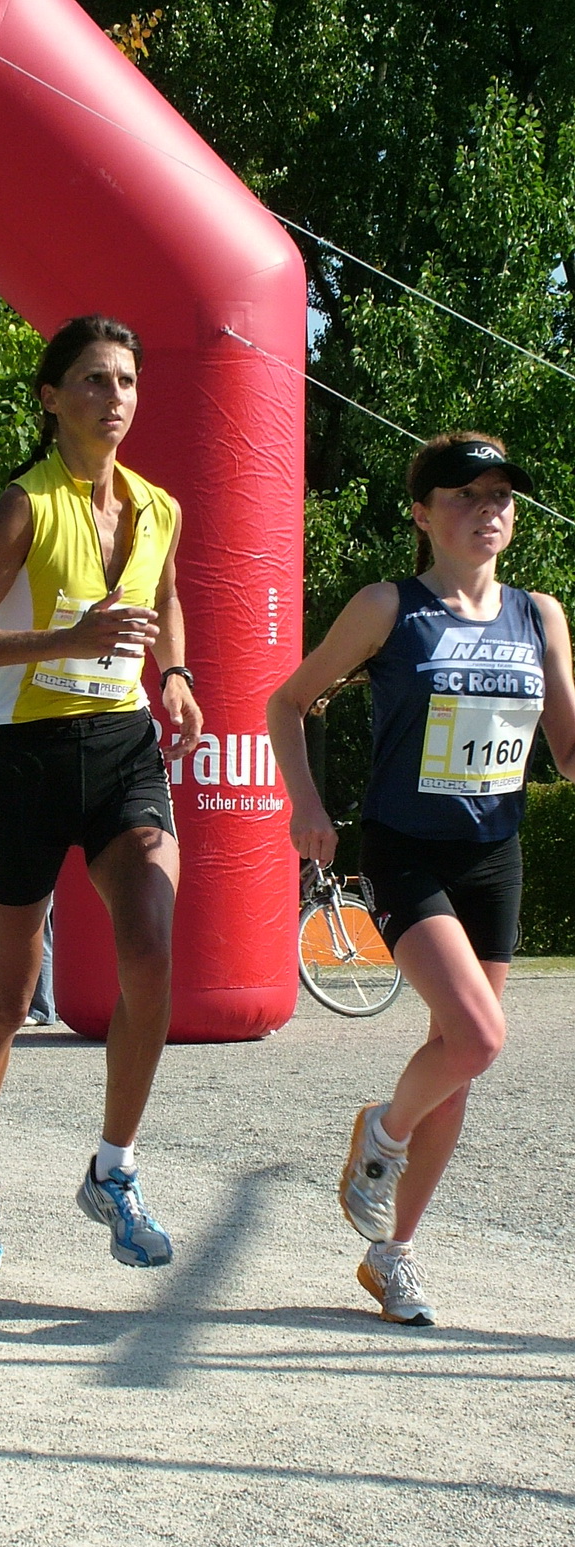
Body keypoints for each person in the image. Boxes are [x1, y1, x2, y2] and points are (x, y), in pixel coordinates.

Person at [267, 432, 575, 1326]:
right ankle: (381, 1133)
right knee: (477, 1037)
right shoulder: (386, 606)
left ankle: (390, 1254)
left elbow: (564, 746)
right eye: (466, 494)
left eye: (503, 497)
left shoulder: (539, 613)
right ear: (420, 511)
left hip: (494, 853)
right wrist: (305, 805)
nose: (490, 509)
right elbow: (285, 702)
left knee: (461, 1065)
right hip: (403, 848)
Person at [0, 314, 201, 1272]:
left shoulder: (157, 506)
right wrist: (62, 642)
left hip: (122, 748)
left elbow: (164, 600)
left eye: (124, 380)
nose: (113, 397)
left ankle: (114, 1170)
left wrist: (173, 675)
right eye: (92, 380)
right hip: (31, 757)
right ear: (51, 398)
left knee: (153, 949)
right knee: (2, 997)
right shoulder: (24, 505)